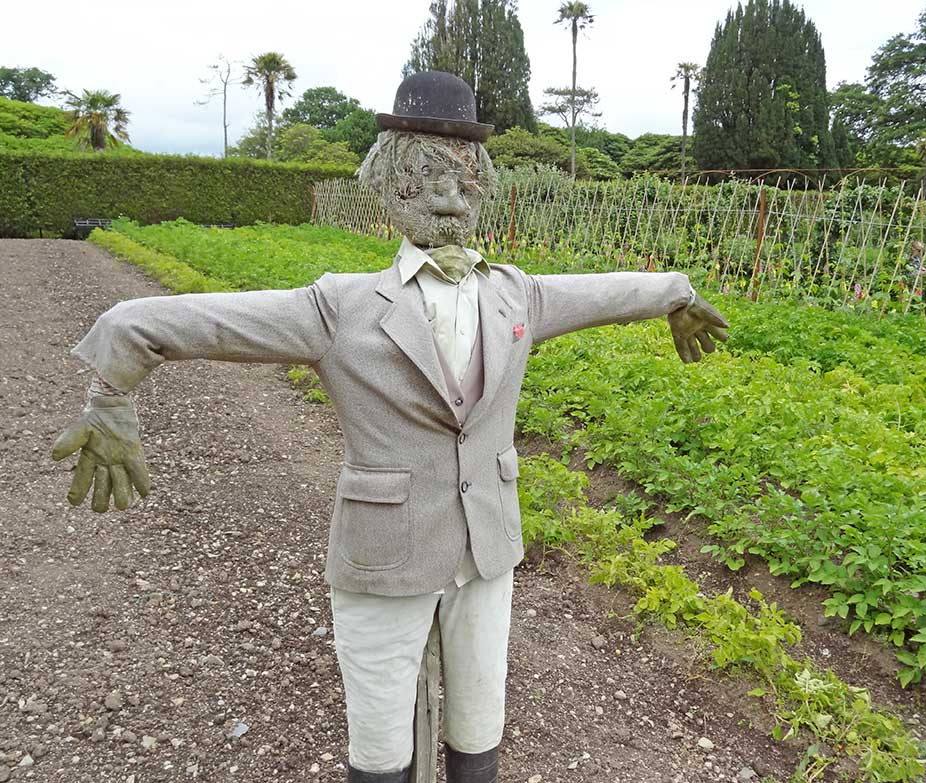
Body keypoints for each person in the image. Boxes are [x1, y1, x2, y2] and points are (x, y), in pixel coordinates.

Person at [50, 72, 729, 783]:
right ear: (388, 180)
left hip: (486, 551)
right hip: (385, 556)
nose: (446, 195)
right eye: (426, 176)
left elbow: (610, 291)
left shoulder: (515, 294)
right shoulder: (339, 307)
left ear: (484, 184)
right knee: (379, 743)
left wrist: (676, 292)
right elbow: (161, 321)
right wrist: (109, 395)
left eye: (463, 178)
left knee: (479, 723)